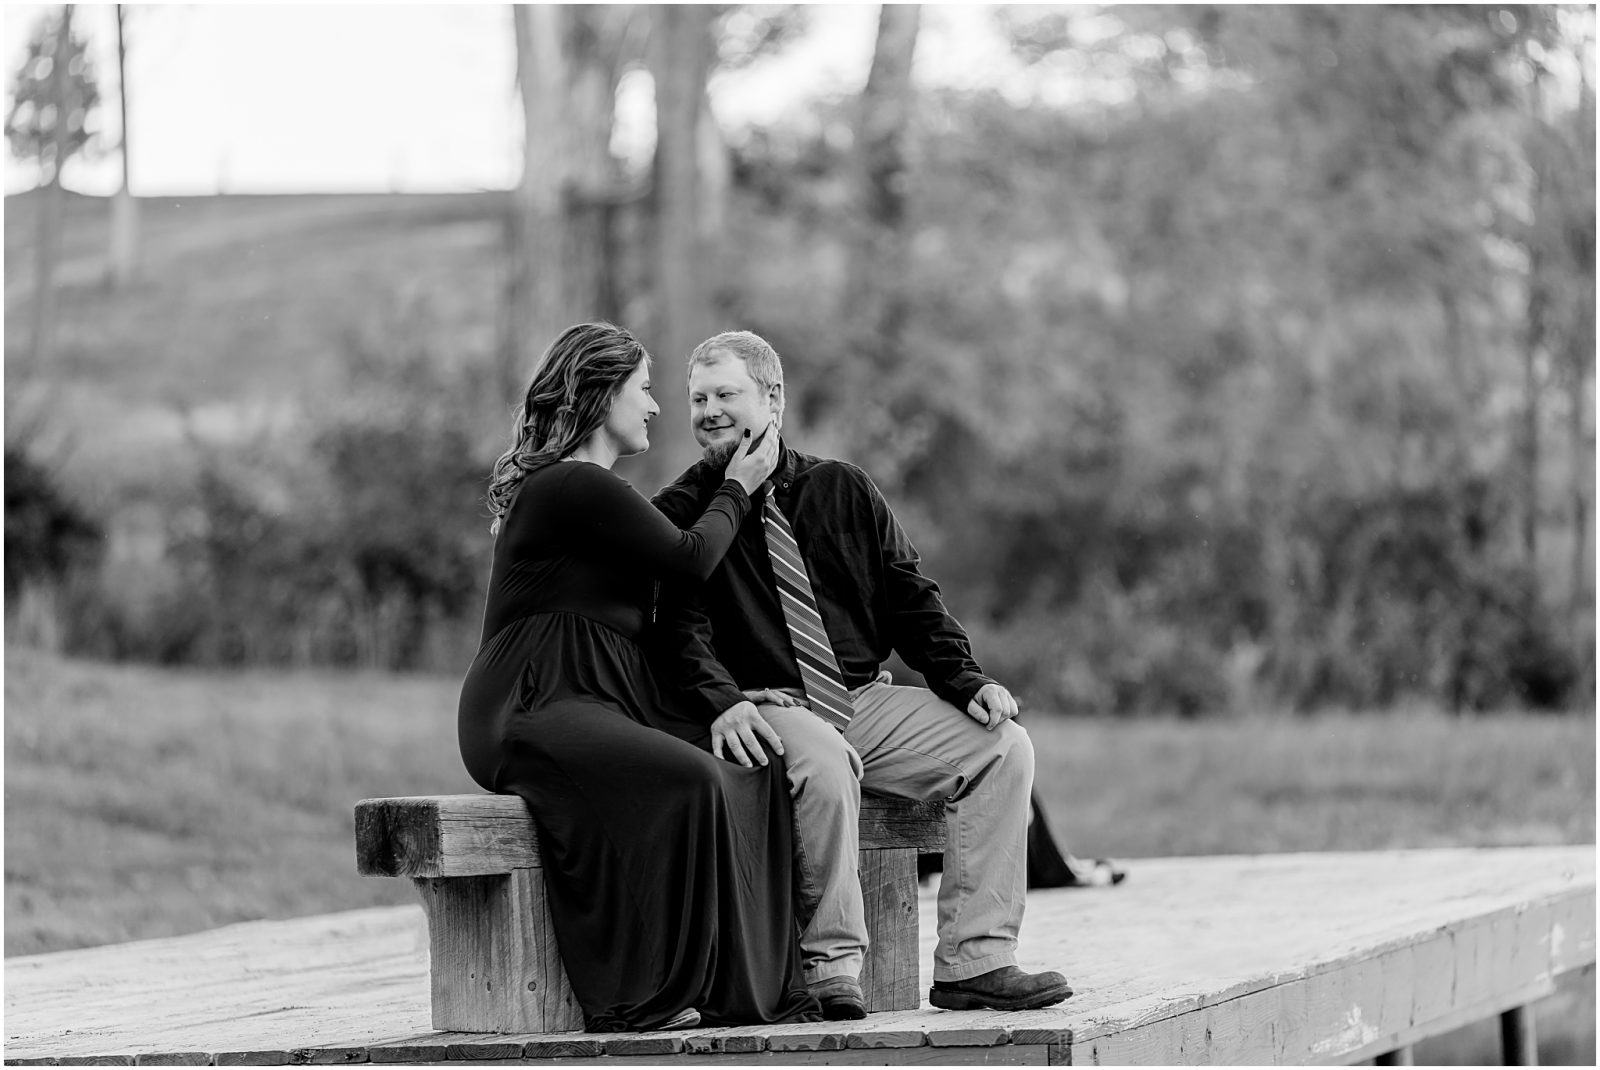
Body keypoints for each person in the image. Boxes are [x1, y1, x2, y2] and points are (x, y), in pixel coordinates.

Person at [650, 330, 1073, 1018]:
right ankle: (831, 968)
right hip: (770, 705)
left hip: (862, 697)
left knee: (1005, 749)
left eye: (726, 393)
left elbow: (910, 597)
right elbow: (678, 630)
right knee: (825, 761)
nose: (708, 410)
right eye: (697, 398)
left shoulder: (842, 489)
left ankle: (977, 962)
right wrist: (724, 699)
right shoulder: (682, 513)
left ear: (773, 397)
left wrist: (967, 680)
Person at [456, 322, 820, 1033]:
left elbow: (651, 630)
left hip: (600, 696)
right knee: (685, 781)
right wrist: (736, 485)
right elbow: (689, 558)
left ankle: (741, 989)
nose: (655, 408)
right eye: (644, 390)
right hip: (529, 705)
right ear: (600, 396)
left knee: (749, 765)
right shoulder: (570, 484)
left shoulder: (598, 494)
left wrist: (723, 698)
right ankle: (638, 996)